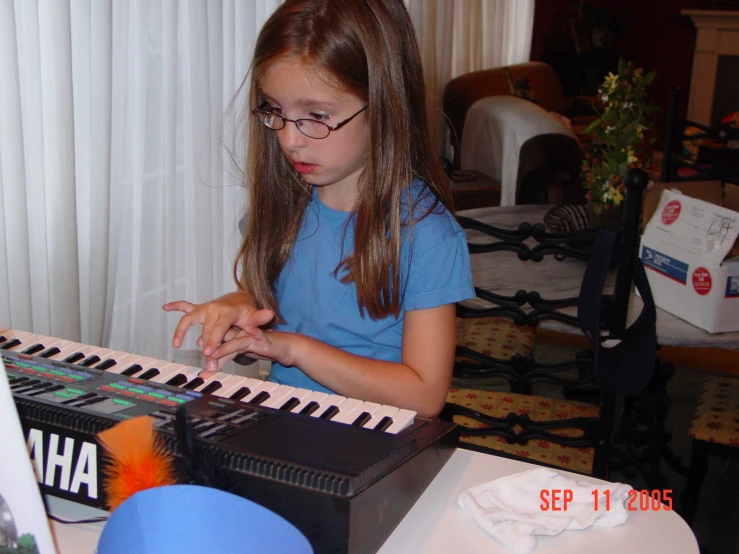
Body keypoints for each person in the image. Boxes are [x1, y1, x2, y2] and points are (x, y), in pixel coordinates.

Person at [163, 0, 474, 419]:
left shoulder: (426, 234)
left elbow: (423, 397)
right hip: (283, 420)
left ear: (383, 105)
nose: (290, 139)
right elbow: (273, 308)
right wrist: (238, 311)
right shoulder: (285, 205)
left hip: (373, 438)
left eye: (316, 115)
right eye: (276, 110)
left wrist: (293, 350)